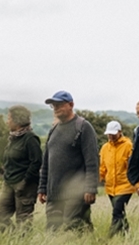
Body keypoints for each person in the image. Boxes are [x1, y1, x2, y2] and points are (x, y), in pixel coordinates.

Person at [38, 91, 99, 231]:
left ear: (71, 105)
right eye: (53, 106)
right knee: (52, 233)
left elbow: (92, 161)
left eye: (59, 105)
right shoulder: (54, 129)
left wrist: (90, 188)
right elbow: (46, 162)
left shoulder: (83, 127)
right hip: (53, 194)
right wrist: (42, 188)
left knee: (75, 230)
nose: (56, 108)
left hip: (76, 193)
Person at [0, 105, 42, 232]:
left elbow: (36, 163)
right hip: (9, 183)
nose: (7, 121)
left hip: (25, 186)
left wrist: (24, 182)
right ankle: (13, 239)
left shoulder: (30, 139)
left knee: (23, 221)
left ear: (17, 120)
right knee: (0, 215)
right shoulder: (13, 138)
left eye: (9, 118)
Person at [99, 120, 137, 236]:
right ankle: (126, 235)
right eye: (109, 134)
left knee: (116, 212)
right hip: (111, 187)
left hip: (125, 185)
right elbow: (103, 166)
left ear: (120, 132)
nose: (111, 136)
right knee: (120, 213)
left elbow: (133, 167)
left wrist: (137, 183)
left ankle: (109, 237)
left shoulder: (128, 146)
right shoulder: (105, 148)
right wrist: (98, 178)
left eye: (113, 134)